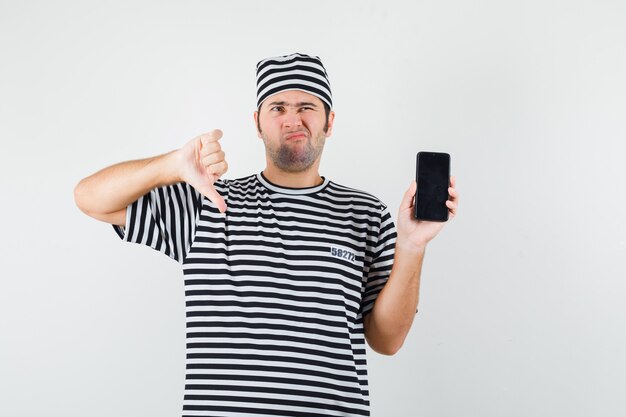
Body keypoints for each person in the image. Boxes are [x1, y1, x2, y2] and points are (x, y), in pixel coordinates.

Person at [74, 52, 459, 417]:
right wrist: (172, 165)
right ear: (257, 122)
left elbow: (386, 341)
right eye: (278, 109)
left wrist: (411, 244)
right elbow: (90, 198)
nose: (293, 120)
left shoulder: (365, 213)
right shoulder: (207, 201)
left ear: (330, 121)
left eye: (307, 107)